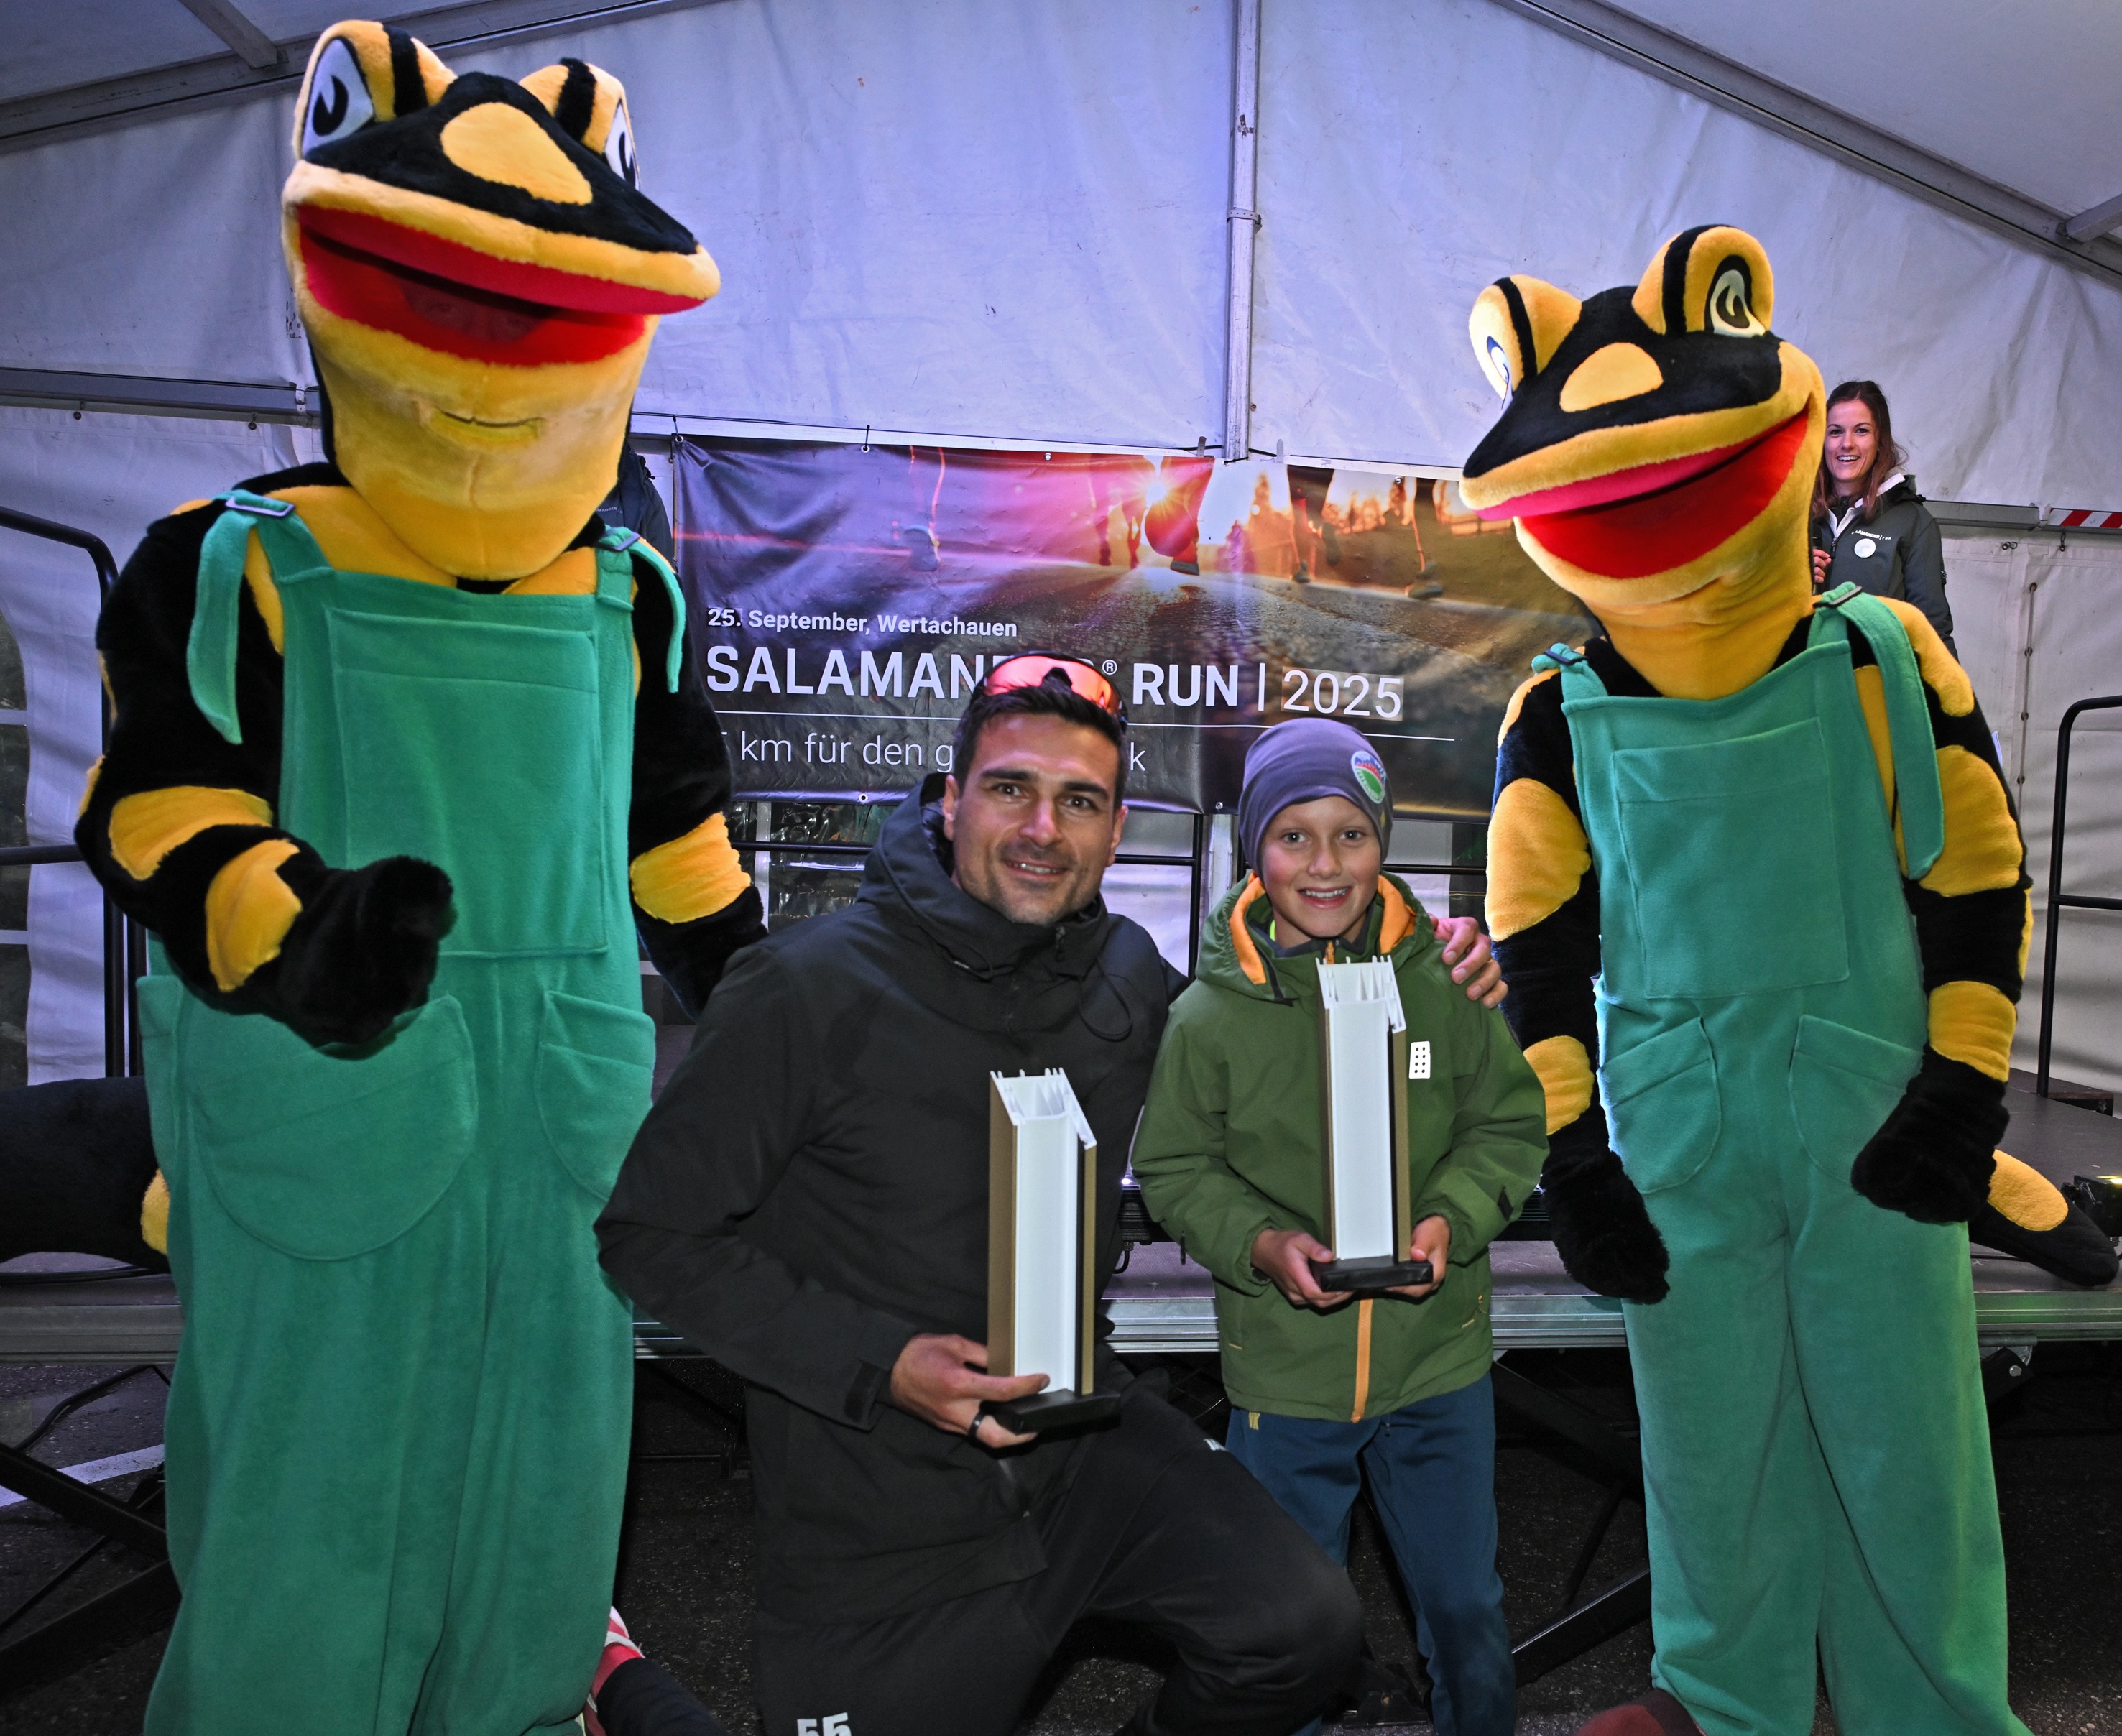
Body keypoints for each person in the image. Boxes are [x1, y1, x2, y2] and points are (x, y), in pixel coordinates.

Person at [595, 654, 1503, 1736]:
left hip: (1083, 1455)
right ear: (948, 804)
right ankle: (622, 1687)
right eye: (1011, 789)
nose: (1042, 829)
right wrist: (879, 1363)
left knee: (1302, 1629)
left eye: (1080, 802)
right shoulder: (804, 988)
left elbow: (1271, 1077)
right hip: (878, 1514)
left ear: (1115, 833)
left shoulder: (1124, 972)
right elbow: (650, 1235)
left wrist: (1431, 979)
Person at [1131, 719, 1545, 1736]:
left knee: (1465, 1610)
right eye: (1294, 836)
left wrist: (1452, 1220)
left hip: (1436, 1365)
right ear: (1253, 849)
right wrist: (1264, 1246)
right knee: (1293, 1628)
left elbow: (1506, 1125)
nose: (1325, 864)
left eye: (1351, 835)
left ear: (1385, 841)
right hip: (1286, 1376)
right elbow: (1178, 1166)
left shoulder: (1445, 983)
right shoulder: (1208, 1017)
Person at [1810, 379, 1956, 652]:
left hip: (1870, 686)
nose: (1847, 444)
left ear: (1880, 441)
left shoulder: (1912, 522)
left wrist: (1948, 693)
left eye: (1862, 431)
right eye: (1835, 432)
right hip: (1796, 685)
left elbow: (1932, 630)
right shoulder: (1793, 516)